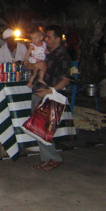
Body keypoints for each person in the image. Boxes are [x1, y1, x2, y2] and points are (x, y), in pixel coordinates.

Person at [31, 25, 71, 172]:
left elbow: (65, 80)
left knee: (43, 128)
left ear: (57, 39)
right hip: (40, 91)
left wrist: (50, 91)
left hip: (51, 95)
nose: (45, 39)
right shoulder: (47, 53)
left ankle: (54, 158)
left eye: (48, 37)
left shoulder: (63, 56)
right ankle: (46, 158)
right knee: (37, 128)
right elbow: (31, 64)